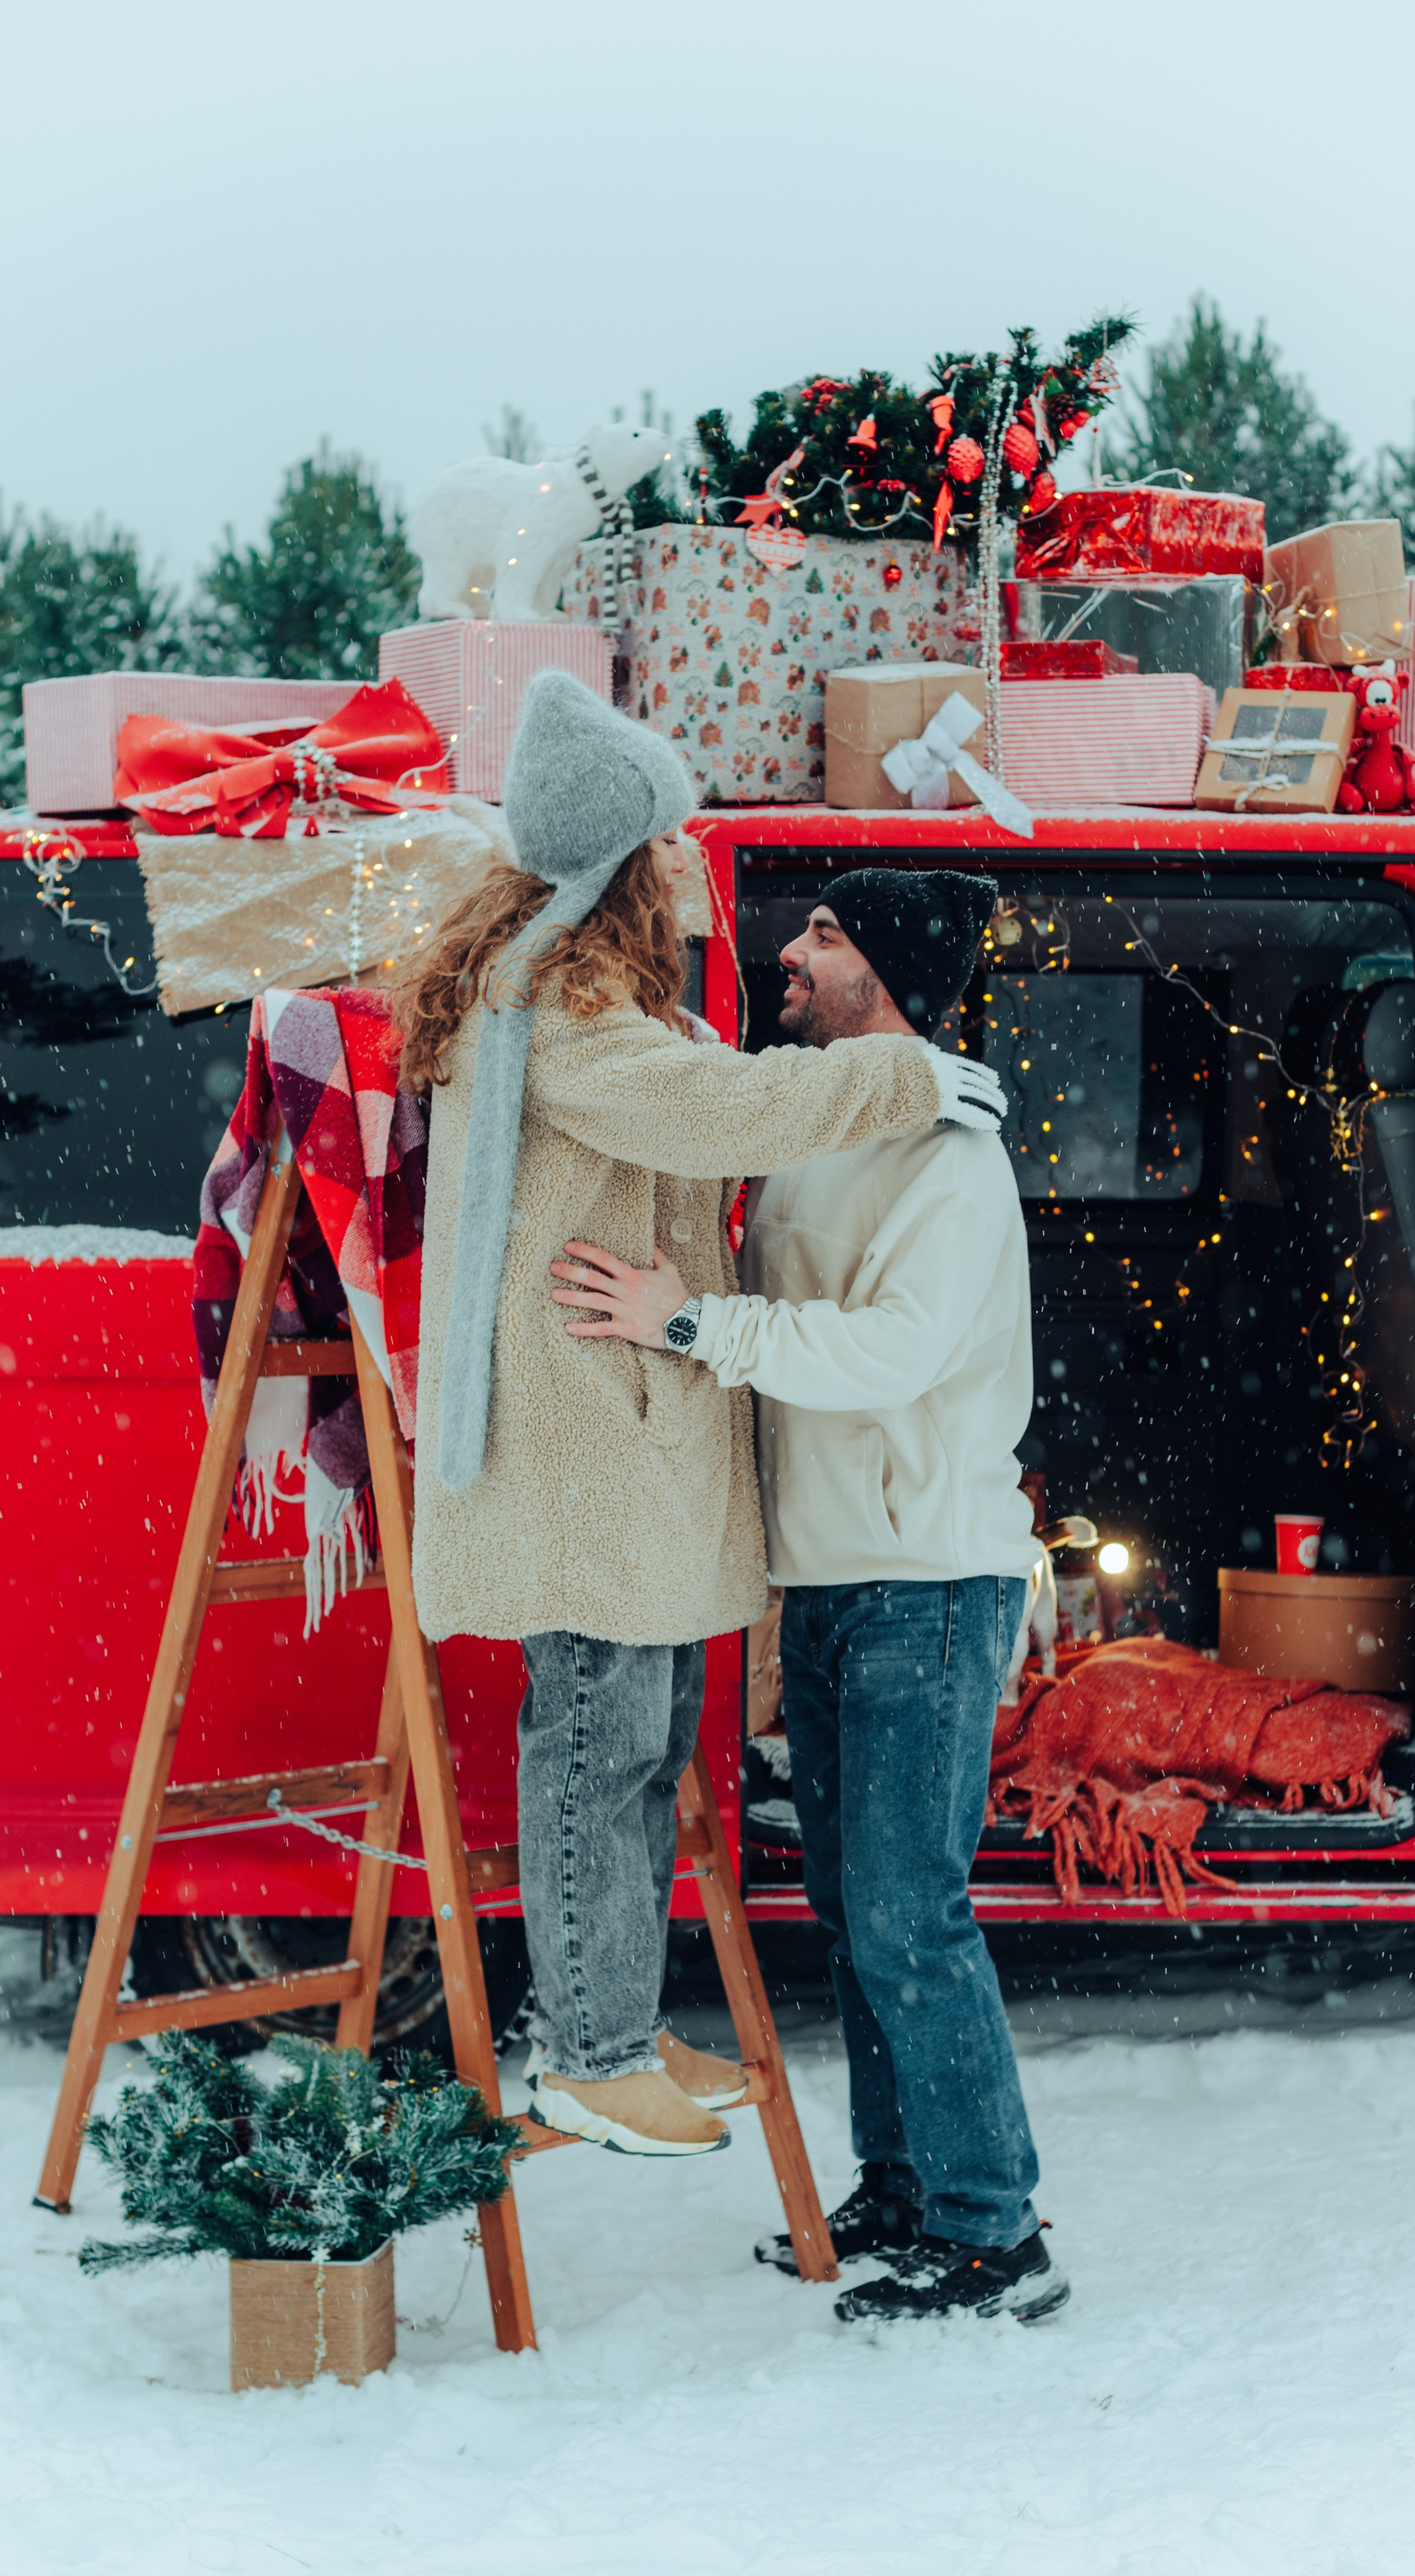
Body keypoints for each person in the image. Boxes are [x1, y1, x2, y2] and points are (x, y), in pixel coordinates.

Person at [397, 684, 1008, 2163]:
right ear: (614, 868)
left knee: (637, 1740)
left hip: (624, 1447)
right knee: (599, 1743)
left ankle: (615, 2019)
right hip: (586, 1448)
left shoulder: (596, 1008)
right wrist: (900, 1071)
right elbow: (722, 1114)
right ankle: (590, 2048)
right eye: (663, 847)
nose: (686, 872)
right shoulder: (564, 1017)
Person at [551, 869, 1068, 2321]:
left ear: (880, 973)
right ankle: (902, 2190)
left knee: (909, 1911)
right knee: (854, 1913)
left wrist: (690, 1321)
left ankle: (993, 2231)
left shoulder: (947, 1159)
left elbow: (886, 1352)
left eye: (826, 936)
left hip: (924, 1578)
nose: (790, 949)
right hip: (832, 1581)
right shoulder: (813, 1126)